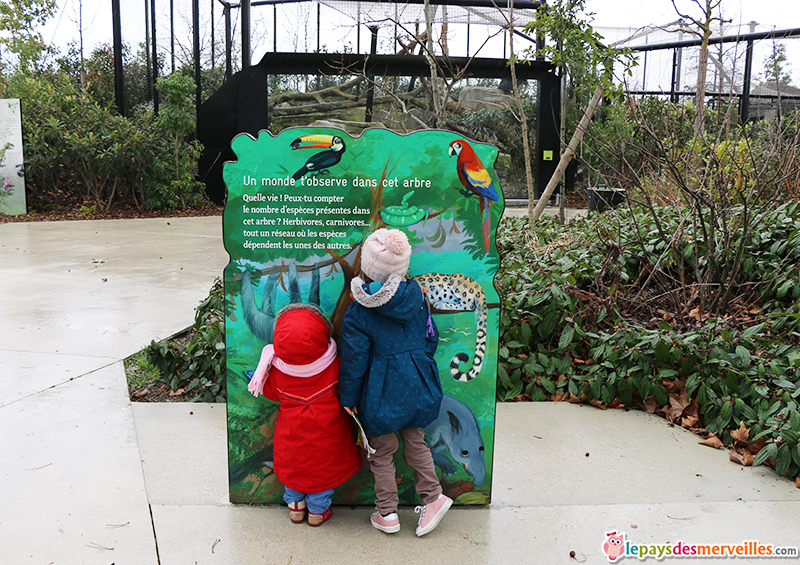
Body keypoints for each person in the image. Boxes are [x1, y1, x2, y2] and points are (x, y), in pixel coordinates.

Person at [339, 228, 453, 537]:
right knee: (416, 440)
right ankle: (433, 497)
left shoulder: (359, 310)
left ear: (368, 264)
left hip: (379, 393)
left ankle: (387, 513)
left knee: (382, 450)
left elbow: (355, 360)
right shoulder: (418, 297)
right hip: (417, 382)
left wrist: (348, 396)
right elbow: (431, 337)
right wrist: (417, 363)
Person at [248, 303, 362, 527]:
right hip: (328, 438)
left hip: (291, 439)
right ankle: (318, 512)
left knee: (294, 469)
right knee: (323, 472)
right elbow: (350, 386)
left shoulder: (279, 373)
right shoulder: (336, 367)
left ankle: (296, 508)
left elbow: (269, 391)